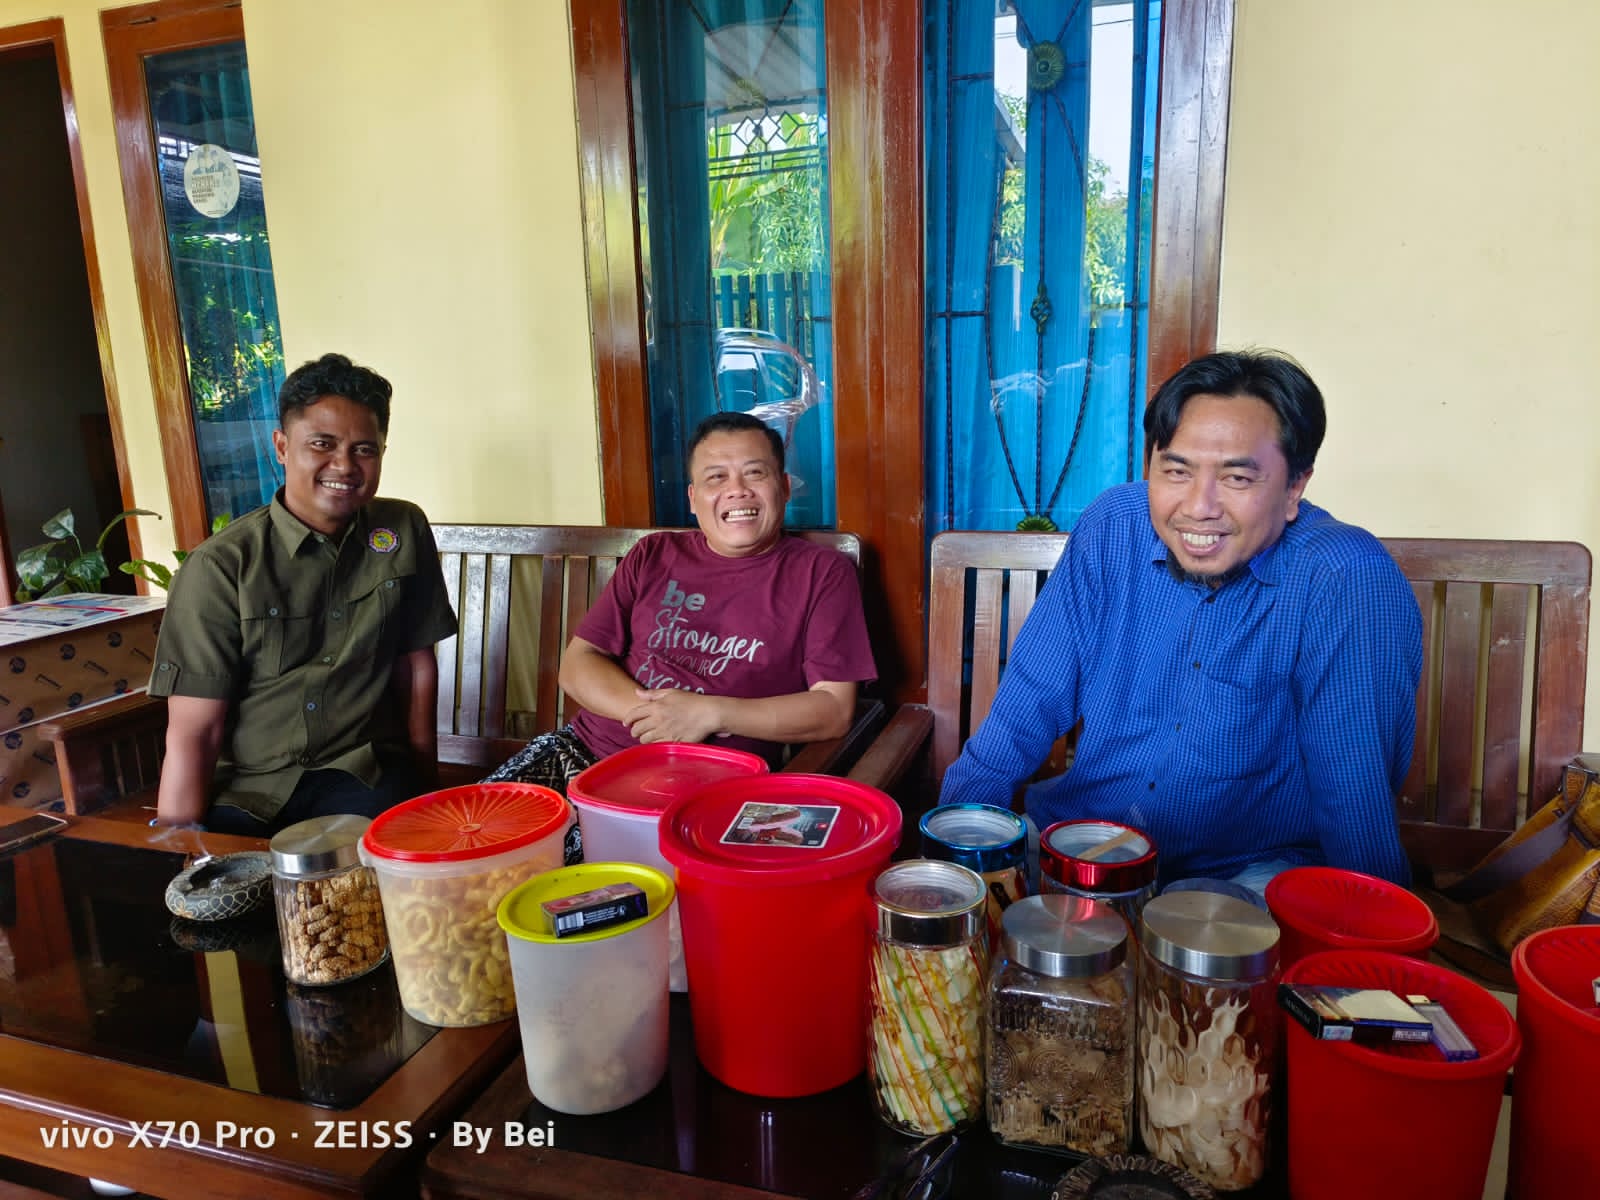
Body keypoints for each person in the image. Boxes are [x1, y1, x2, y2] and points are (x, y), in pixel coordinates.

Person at [939, 350, 1423, 891]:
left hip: (1245, 869)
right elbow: (1029, 699)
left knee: (1216, 931)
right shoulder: (1114, 527)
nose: (1198, 506)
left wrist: (1374, 925)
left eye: (1237, 477)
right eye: (1177, 471)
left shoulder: (1343, 577)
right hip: (1083, 839)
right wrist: (955, 845)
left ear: (1294, 487)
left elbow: (1353, 790)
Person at [486, 410, 875, 796]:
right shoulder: (653, 554)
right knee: (473, 826)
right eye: (716, 477)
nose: (737, 489)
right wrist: (660, 717)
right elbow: (577, 664)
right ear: (693, 498)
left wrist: (711, 714)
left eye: (755, 473)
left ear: (785, 487)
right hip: (585, 755)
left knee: (590, 842)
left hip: (715, 783)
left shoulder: (821, 572)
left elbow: (834, 710)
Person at [148, 353, 457, 836]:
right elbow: (195, 729)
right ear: (281, 446)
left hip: (362, 773)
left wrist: (426, 786)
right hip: (251, 789)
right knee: (232, 885)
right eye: (322, 444)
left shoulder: (401, 528)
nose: (345, 465)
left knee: (379, 868)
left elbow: (415, 664)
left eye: (364, 449)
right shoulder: (221, 566)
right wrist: (178, 845)